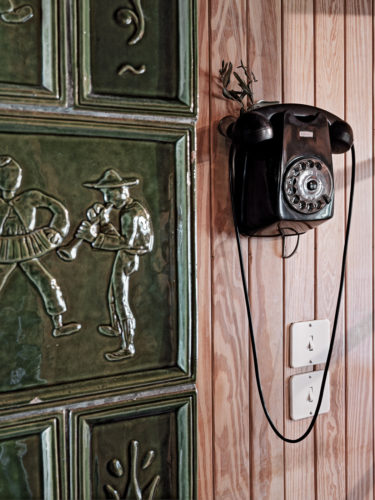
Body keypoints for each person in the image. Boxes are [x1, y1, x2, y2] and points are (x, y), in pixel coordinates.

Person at [76, 169, 153, 361]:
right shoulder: (132, 208)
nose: (106, 198)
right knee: (112, 294)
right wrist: (103, 222)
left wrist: (94, 238)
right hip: (126, 254)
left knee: (120, 299)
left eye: (110, 193)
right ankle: (116, 326)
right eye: (104, 193)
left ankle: (128, 345)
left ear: (124, 190)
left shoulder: (129, 214)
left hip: (128, 256)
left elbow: (125, 243)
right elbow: (120, 238)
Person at [0, 155, 81, 337]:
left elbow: (58, 208)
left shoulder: (30, 197)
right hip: (3, 249)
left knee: (46, 281)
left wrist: (57, 229)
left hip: (28, 245)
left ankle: (58, 324)